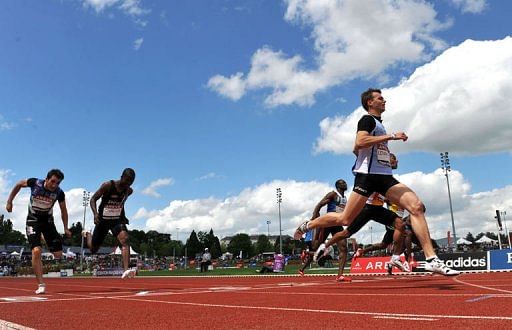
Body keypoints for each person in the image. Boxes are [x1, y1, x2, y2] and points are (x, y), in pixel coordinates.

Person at [294, 88, 459, 276]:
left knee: (417, 206)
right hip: (368, 177)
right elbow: (361, 140)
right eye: (380, 98)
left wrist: (383, 155)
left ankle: (432, 260)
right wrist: (391, 137)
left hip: (384, 178)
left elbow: (359, 147)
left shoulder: (379, 125)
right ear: (370, 103)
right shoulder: (367, 120)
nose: (384, 101)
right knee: (344, 219)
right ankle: (308, 225)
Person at [323, 154, 408, 272]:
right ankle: (324, 246)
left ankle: (395, 257)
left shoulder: (387, 174)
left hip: (378, 209)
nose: (397, 161)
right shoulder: (375, 170)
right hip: (367, 208)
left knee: (400, 224)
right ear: (386, 160)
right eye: (394, 159)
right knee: (346, 233)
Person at [5, 169, 71, 294]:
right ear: (46, 179)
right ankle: (41, 284)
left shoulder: (59, 193)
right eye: (52, 181)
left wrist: (66, 227)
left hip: (48, 222)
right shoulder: (35, 183)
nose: (54, 185)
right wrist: (9, 201)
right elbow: (19, 184)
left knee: (58, 254)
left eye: (58, 183)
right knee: (36, 250)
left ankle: (43, 237)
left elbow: (64, 211)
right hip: (33, 220)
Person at [83, 168, 136, 279]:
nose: (128, 184)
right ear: (121, 177)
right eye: (126, 181)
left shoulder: (128, 191)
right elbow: (93, 199)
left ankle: (126, 270)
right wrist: (95, 214)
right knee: (93, 249)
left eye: (130, 182)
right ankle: (88, 234)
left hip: (116, 220)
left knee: (125, 240)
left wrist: (123, 216)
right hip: (103, 220)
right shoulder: (108, 185)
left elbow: (121, 204)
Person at [298, 179, 351, 282]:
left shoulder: (345, 198)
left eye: (345, 182)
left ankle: (340, 275)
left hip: (337, 224)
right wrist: (315, 215)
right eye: (342, 183)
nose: (345, 184)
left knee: (344, 248)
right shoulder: (333, 194)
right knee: (316, 247)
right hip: (327, 223)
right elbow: (320, 204)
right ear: (337, 186)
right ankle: (303, 266)